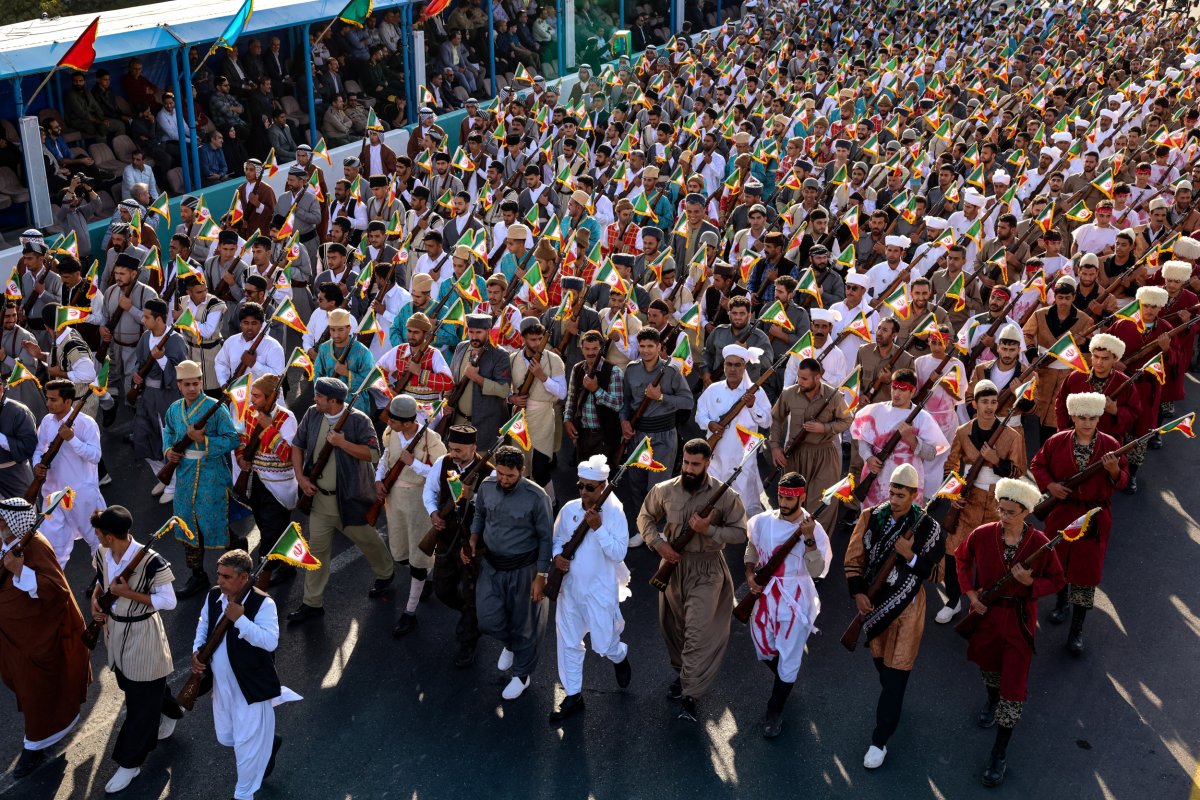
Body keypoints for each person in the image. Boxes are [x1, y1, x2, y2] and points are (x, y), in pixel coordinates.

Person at [955, 477, 1066, 788]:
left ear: (1027, 512)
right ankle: (991, 701)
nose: (1003, 516)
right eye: (1000, 509)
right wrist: (972, 596)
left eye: (1010, 512)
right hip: (987, 618)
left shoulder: (1040, 543)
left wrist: (1032, 585)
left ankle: (998, 754)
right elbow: (962, 559)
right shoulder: (982, 534)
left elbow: (1057, 580)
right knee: (989, 670)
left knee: (1013, 690)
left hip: (1019, 621)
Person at [637, 438, 748, 721]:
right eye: (685, 462)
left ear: (708, 463)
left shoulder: (725, 496)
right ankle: (685, 674)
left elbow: (740, 533)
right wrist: (658, 544)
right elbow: (645, 518)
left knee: (698, 633)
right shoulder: (664, 489)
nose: (688, 468)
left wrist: (709, 530)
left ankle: (690, 694)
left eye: (695, 464)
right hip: (672, 568)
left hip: (707, 571)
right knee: (674, 629)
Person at [843, 462, 944, 769]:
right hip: (872, 608)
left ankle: (879, 740)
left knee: (897, 675)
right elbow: (853, 558)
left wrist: (910, 556)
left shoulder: (930, 527)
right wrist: (858, 593)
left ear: (915, 495)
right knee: (885, 671)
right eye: (892, 491)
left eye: (902, 494)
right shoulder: (870, 516)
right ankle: (893, 703)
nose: (895, 498)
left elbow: (936, 573)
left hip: (908, 607)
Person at [89, 505, 182, 794]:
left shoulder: (153, 561)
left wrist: (127, 593)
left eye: (99, 533)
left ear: (109, 535)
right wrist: (96, 602)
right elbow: (100, 582)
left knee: (140, 704)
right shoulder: (102, 552)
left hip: (143, 634)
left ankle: (131, 762)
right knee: (134, 684)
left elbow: (169, 601)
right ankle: (170, 711)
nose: (97, 536)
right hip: (114, 631)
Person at [191, 550, 299, 800]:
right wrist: (197, 652)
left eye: (226, 576)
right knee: (227, 737)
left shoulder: (264, 603)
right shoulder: (213, 595)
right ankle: (268, 743)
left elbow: (270, 641)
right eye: (219, 574)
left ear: (244, 578)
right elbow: (203, 627)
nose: (220, 581)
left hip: (250, 688)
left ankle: (243, 794)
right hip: (222, 687)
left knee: (246, 747)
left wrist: (240, 620)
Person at [289, 377, 395, 622]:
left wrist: (342, 443)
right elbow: (297, 445)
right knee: (316, 553)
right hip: (319, 502)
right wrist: (301, 478)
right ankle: (312, 603)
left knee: (368, 540)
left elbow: (373, 453)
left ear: (334, 401)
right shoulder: (313, 414)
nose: (314, 399)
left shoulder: (359, 420)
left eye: (319, 396)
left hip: (350, 499)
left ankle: (386, 573)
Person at [1029, 391, 1128, 655]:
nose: (1087, 422)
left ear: (1099, 418)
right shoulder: (1056, 441)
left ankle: (1077, 630)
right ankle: (1061, 604)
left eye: (1093, 417)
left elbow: (1124, 479)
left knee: (1086, 575)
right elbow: (1038, 465)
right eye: (1082, 417)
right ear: (1072, 416)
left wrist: (1114, 471)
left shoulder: (1111, 445)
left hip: (1094, 519)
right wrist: (1050, 485)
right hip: (1061, 513)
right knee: (1059, 565)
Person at [0, 497, 91, 778]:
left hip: (38, 638)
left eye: (1, 521)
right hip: (16, 636)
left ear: (13, 523)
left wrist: (20, 571)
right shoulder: (11, 541)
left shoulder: (35, 545)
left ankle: (35, 745)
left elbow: (56, 590)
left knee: (37, 692)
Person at [743, 472, 831, 738]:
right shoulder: (762, 522)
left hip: (795, 599)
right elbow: (752, 550)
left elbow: (817, 569)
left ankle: (775, 709)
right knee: (763, 647)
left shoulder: (813, 530)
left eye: (789, 498)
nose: (783, 501)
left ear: (802, 497)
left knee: (790, 656)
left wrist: (809, 538)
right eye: (780, 496)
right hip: (765, 596)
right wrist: (749, 575)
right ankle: (785, 678)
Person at [548, 454, 632, 722]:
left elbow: (618, 552)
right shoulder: (570, 509)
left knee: (604, 644)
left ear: (603, 487)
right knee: (569, 642)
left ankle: (619, 656)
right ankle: (573, 695)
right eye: (580, 485)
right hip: (570, 590)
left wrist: (598, 528)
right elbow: (557, 540)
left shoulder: (615, 513)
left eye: (589, 487)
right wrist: (557, 557)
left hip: (599, 592)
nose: (583, 492)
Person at [467, 445, 554, 701]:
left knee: (524, 625)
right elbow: (480, 513)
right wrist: (473, 536)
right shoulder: (486, 486)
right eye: (501, 474)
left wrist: (541, 576)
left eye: (510, 476)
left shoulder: (537, 498)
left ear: (522, 471)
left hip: (523, 570)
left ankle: (522, 676)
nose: (504, 480)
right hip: (492, 567)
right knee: (487, 619)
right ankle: (510, 645)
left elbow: (546, 539)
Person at [938, 380, 1028, 624]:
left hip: (997, 504)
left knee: (990, 556)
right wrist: (954, 494)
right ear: (974, 404)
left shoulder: (1011, 435)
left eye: (993, 402)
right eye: (984, 402)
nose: (989, 407)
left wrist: (996, 460)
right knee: (954, 552)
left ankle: (984, 601)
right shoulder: (962, 431)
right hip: (967, 502)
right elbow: (951, 467)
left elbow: (1019, 472)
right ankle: (954, 601)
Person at [162, 360, 241, 598]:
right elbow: (167, 432)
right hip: (184, 473)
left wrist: (204, 440)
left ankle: (239, 556)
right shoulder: (174, 409)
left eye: (196, 383)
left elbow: (232, 439)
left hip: (211, 473)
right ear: (179, 385)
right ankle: (197, 575)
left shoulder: (216, 408)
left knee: (213, 521)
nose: (193, 389)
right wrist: (169, 452)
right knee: (187, 524)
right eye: (187, 384)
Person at [377, 394, 446, 637]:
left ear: (407, 422)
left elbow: (442, 474)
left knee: (418, 560)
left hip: (419, 502)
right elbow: (386, 458)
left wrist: (413, 463)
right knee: (401, 554)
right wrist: (378, 480)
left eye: (394, 419)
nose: (389, 422)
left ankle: (410, 612)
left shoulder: (431, 439)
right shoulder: (391, 433)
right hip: (395, 500)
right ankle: (427, 577)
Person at [423, 424, 492, 668]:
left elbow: (490, 511)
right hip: (445, 540)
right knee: (443, 590)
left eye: (459, 450)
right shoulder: (443, 463)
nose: (454, 453)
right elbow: (429, 492)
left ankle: (468, 638)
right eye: (452, 448)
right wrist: (433, 514)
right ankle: (470, 616)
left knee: (471, 594)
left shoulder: (489, 473)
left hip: (472, 546)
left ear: (474, 448)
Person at [621, 328, 694, 544]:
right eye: (642, 346)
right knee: (636, 483)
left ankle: (660, 530)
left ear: (659, 347)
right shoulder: (631, 370)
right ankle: (641, 529)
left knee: (658, 487)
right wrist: (624, 422)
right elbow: (625, 402)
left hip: (663, 436)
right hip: (638, 435)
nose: (645, 350)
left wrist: (661, 396)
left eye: (650, 346)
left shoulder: (670, 371)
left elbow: (687, 401)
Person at [769, 356, 852, 533]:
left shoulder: (834, 396)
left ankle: (817, 549)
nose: (800, 381)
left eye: (804, 378)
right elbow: (776, 419)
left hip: (824, 456)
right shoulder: (789, 393)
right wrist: (775, 447)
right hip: (795, 455)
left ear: (817, 377)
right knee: (791, 502)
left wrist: (824, 427)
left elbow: (847, 421)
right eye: (799, 377)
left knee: (821, 506)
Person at [849, 367, 950, 506]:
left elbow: (931, 454)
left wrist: (911, 439)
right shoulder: (875, 410)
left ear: (912, 391)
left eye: (902, 389)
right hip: (876, 474)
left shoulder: (922, 417)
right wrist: (869, 457)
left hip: (907, 478)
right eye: (894, 388)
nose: (896, 393)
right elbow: (862, 439)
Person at [233, 374, 298, 589]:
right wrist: (241, 458)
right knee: (266, 526)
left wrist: (269, 428)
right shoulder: (250, 414)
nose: (252, 400)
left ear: (272, 398)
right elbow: (241, 439)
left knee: (270, 534)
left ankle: (262, 578)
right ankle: (287, 566)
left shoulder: (287, 418)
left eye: (258, 396)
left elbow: (287, 455)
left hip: (279, 485)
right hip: (256, 482)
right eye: (252, 395)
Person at [32, 379, 105, 568]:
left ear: (68, 401)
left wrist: (72, 439)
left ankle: (103, 580)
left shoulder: (86, 423)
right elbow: (39, 449)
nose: (48, 404)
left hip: (81, 493)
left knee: (97, 540)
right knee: (53, 546)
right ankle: (56, 586)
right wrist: (37, 465)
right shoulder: (47, 421)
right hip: (52, 495)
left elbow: (95, 456)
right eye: (48, 399)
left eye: (53, 400)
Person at [695, 344, 773, 516]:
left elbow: (767, 421)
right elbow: (700, 415)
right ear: (723, 366)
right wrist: (710, 424)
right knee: (713, 499)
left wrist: (752, 406)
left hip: (743, 456)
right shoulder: (713, 390)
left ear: (744, 366)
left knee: (745, 502)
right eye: (729, 364)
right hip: (717, 455)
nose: (732, 369)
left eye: (737, 365)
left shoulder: (755, 392)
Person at [132, 298, 189, 500]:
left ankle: (174, 485)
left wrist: (162, 358)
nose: (142, 319)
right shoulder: (146, 336)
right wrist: (136, 375)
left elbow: (183, 371)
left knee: (170, 439)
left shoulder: (175, 340)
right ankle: (163, 477)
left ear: (158, 319)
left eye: (147, 316)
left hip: (168, 397)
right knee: (144, 437)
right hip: (147, 397)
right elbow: (139, 363)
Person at [0, 379, 40, 498]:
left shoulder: (19, 411)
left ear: (1, 389)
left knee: (22, 512)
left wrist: (1, 439)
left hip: (14, 477)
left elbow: (29, 447)